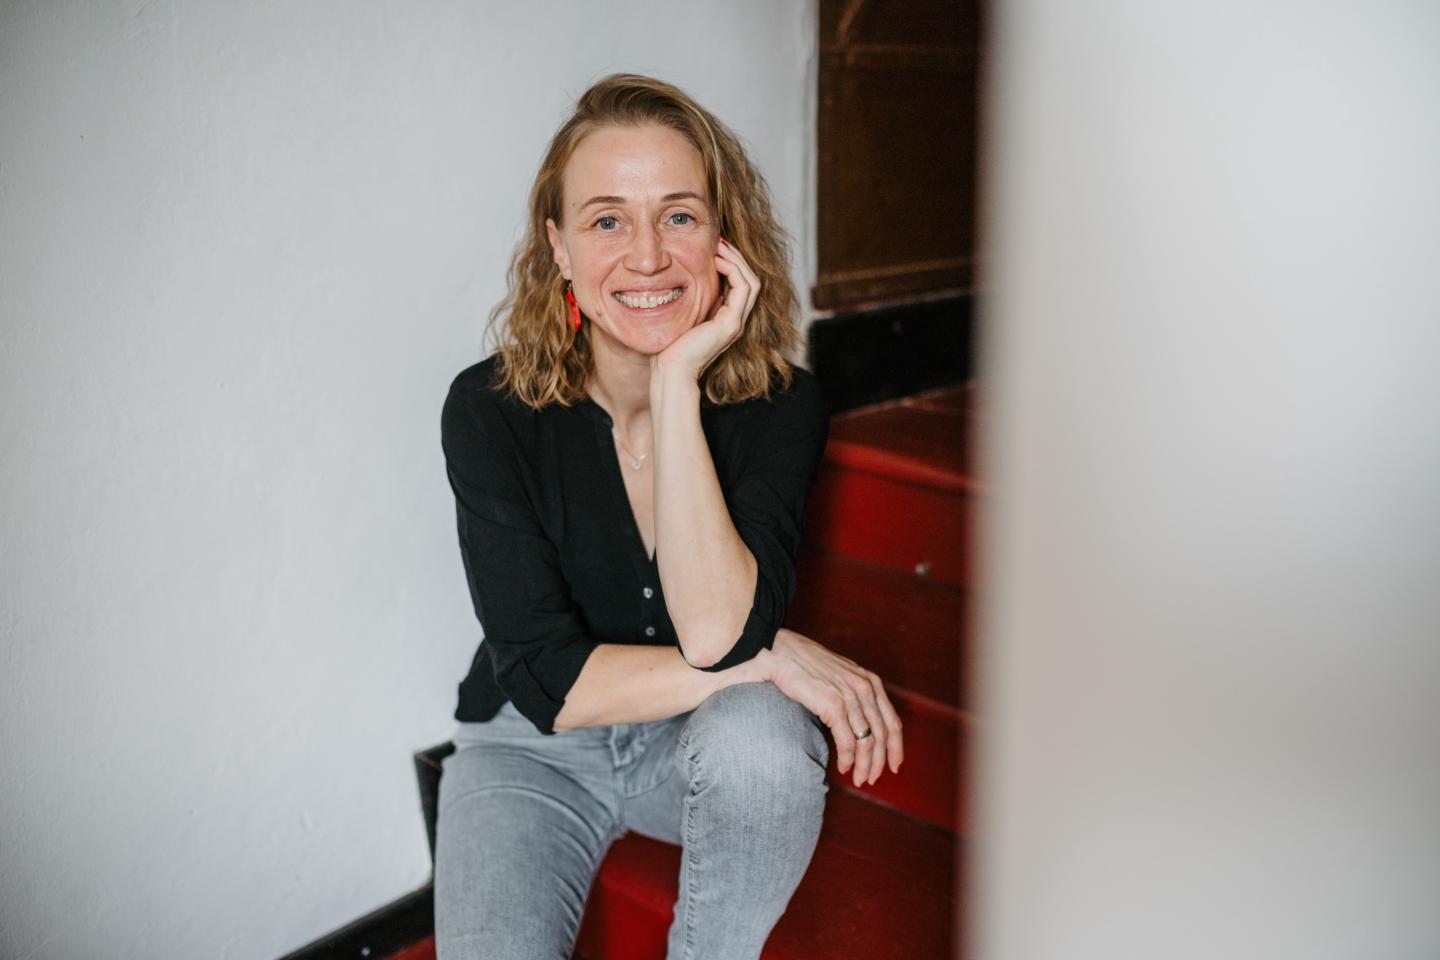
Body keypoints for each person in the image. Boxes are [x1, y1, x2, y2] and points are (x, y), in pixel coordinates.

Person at [435, 74, 904, 960]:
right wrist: (774, 653)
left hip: (690, 743)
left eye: (679, 216)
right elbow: (550, 684)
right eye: (607, 221)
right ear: (559, 246)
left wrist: (677, 381)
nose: (648, 257)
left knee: (764, 738)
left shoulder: (780, 405)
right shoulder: (490, 410)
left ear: (724, 237)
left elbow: (719, 634)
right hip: (529, 752)